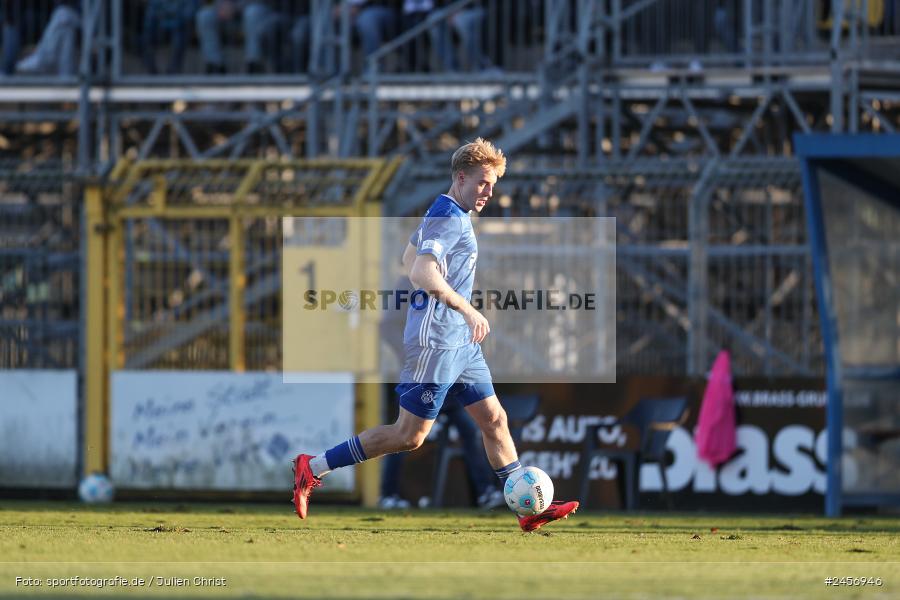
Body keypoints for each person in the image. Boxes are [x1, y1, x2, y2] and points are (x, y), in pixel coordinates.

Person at [293, 138, 579, 532]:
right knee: (409, 436)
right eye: (482, 183)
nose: (489, 192)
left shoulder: (446, 209)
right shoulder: (448, 216)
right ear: (461, 177)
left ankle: (529, 513)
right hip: (437, 343)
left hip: (460, 342)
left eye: (493, 184)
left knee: (495, 419)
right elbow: (419, 272)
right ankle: (313, 467)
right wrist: (464, 306)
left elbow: (409, 257)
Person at [15, 0, 79, 77]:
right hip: (72, 19)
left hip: (88, 24)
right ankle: (65, 72)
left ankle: (44, 59)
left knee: (63, 14)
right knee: (65, 28)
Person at [140, 0, 200, 75]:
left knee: (179, 38)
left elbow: (189, 14)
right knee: (147, 36)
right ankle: (152, 71)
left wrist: (176, 20)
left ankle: (173, 71)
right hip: (160, 24)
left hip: (179, 25)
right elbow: (151, 14)